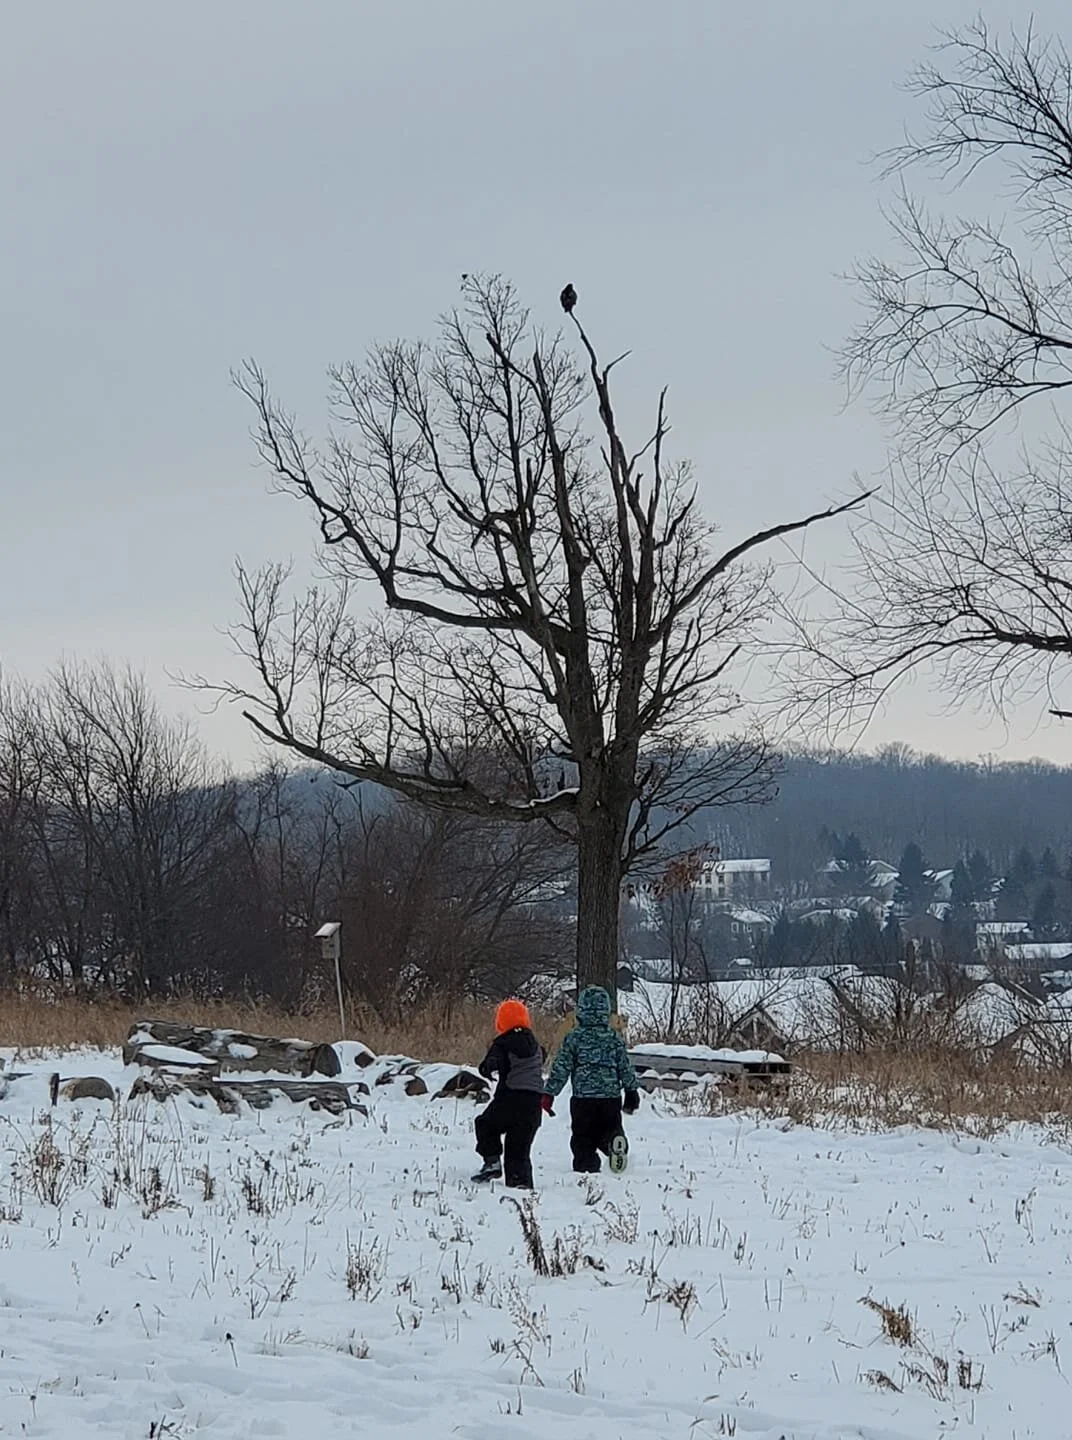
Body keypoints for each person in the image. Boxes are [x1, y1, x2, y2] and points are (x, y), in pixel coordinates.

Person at [544, 985, 641, 1174]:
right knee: (611, 1126)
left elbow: (561, 1067)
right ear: (606, 1011)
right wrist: (631, 1091)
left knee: (582, 1136)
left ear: (581, 1010)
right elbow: (625, 1067)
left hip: (583, 1099)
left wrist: (550, 1092)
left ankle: (586, 1166)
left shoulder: (574, 1038)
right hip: (610, 1098)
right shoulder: (614, 1038)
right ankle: (614, 1141)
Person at [471, 999, 546, 1188]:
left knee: (485, 1124)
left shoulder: (503, 1043)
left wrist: (487, 1068)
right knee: (519, 1150)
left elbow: (490, 1063)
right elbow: (543, 1058)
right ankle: (522, 1187)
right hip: (534, 1104)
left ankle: (492, 1162)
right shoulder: (536, 1045)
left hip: (510, 1099)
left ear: (501, 1022)